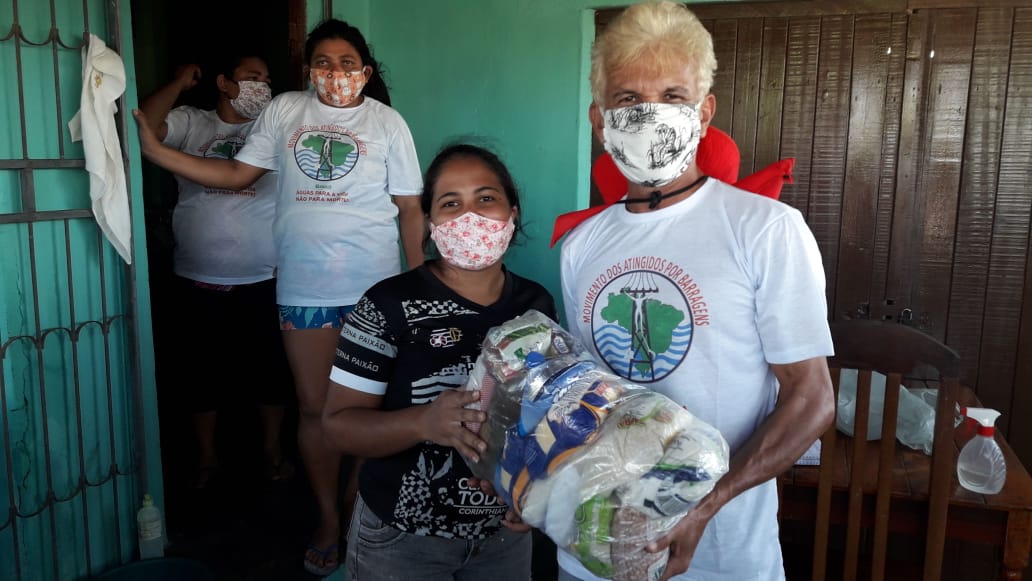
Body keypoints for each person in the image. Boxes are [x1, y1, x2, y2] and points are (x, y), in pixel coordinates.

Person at [133, 19, 424, 577]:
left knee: (370, 407)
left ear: (365, 71)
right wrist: (157, 152)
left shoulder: (387, 122)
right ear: (308, 69)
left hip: (375, 288)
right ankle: (326, 519)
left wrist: (415, 288)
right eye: (323, 61)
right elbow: (240, 174)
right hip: (305, 288)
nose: (335, 72)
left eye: (346, 62)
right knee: (314, 409)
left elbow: (409, 208)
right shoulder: (286, 110)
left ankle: (355, 505)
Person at [556, 2, 836, 579]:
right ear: (598, 118)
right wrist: (541, 484)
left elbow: (811, 398)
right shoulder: (581, 245)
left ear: (705, 113)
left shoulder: (766, 229)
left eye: (673, 96)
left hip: (724, 554)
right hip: (593, 550)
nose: (649, 114)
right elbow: (587, 394)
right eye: (628, 99)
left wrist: (704, 505)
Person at [322, 143, 556, 580]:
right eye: (451, 203)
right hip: (402, 540)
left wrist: (533, 497)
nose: (471, 216)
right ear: (430, 224)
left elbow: (541, 417)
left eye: (486, 198)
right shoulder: (386, 305)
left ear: (513, 213)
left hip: (503, 538)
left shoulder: (535, 306)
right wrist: (422, 424)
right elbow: (337, 427)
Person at [138, 53, 293, 489]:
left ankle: (272, 452)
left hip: (265, 277)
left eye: (266, 77)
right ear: (224, 83)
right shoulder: (194, 122)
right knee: (201, 374)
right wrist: (177, 83)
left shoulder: (275, 130)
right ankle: (207, 458)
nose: (263, 84)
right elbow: (144, 127)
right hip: (198, 276)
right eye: (251, 77)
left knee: (270, 373)